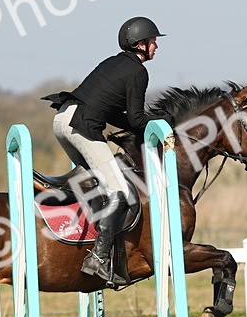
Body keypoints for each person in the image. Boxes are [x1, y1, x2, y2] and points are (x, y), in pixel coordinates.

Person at [41, 16, 164, 284]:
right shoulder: (138, 72)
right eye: (153, 41)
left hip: (63, 119)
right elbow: (135, 119)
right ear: (140, 44)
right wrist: (165, 126)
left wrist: (142, 124)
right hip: (82, 126)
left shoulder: (114, 63)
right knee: (118, 191)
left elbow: (116, 115)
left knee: (93, 182)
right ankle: (97, 257)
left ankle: (81, 235)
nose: (156, 46)